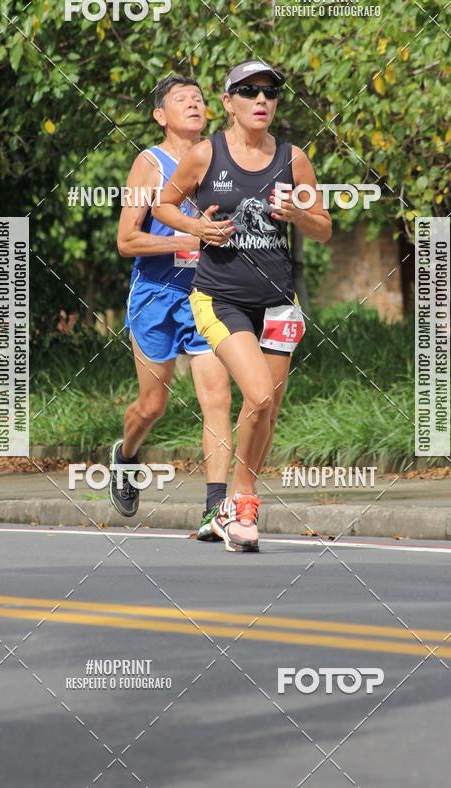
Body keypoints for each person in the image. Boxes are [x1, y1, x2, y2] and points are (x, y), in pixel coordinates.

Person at [153, 60, 332, 552]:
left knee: (266, 410)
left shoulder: (293, 158)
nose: (261, 100)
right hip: (220, 298)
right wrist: (196, 227)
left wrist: (299, 214)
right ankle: (243, 501)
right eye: (249, 91)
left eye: (270, 93)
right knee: (258, 394)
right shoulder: (205, 155)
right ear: (228, 102)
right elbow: (163, 205)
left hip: (279, 303)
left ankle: (233, 506)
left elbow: (323, 226)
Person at [111, 75, 232, 541]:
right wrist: (189, 239)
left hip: (206, 294)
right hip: (156, 295)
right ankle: (126, 455)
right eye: (182, 100)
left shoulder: (220, 160)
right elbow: (127, 241)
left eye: (199, 99)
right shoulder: (150, 164)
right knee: (153, 405)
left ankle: (215, 509)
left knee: (217, 399)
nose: (194, 104)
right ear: (160, 115)